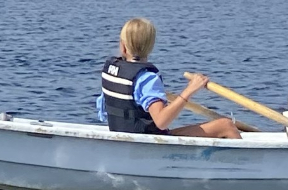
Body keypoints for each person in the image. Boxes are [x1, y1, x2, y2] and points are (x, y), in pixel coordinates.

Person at [97, 18, 241, 138]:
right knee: (226, 126)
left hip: (123, 137)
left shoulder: (111, 71)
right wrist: (190, 90)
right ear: (150, 46)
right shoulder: (147, 79)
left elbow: (104, 111)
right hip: (148, 142)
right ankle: (245, 170)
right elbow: (161, 122)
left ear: (123, 46)